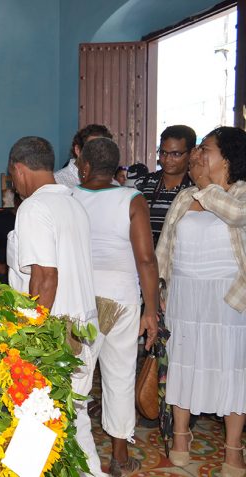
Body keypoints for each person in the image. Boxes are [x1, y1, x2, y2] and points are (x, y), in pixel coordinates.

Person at [6, 136, 105, 477]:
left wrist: (32, 338)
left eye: (12, 178)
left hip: (54, 332)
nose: (14, 185)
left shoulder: (34, 207)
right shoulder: (73, 203)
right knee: (74, 416)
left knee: (35, 417)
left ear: (19, 170)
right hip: (83, 326)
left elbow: (45, 277)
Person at [156, 126, 246, 477]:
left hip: (227, 301)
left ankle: (233, 450)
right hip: (185, 297)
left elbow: (235, 216)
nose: (196, 155)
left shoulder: (239, 193)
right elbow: (165, 247)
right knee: (183, 363)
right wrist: (159, 293)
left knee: (233, 371)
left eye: (205, 149)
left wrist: (205, 186)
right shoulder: (185, 196)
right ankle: (180, 438)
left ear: (227, 157)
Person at [72, 138, 159, 476]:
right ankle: (119, 456)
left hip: (82, 301)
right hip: (122, 301)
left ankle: (76, 454)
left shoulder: (71, 198)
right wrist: (150, 311)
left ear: (85, 166)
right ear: (118, 169)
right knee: (120, 375)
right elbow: (147, 260)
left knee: (77, 378)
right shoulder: (131, 199)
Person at [135, 125, 196, 245]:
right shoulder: (142, 184)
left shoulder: (197, 188)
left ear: (192, 153)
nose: (167, 159)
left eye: (176, 154)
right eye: (163, 152)